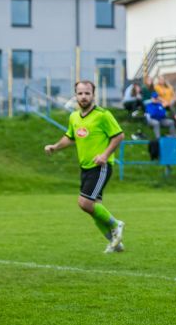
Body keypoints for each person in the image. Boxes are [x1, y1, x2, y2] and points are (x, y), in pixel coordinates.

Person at [44, 80, 125, 253]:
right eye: (80, 93)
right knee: (94, 208)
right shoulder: (74, 116)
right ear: (75, 96)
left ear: (93, 95)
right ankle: (114, 242)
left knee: (84, 203)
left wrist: (104, 155)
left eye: (87, 93)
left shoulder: (103, 115)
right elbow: (70, 137)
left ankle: (116, 224)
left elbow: (119, 136)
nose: (83, 96)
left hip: (101, 166)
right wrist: (55, 147)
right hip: (85, 167)